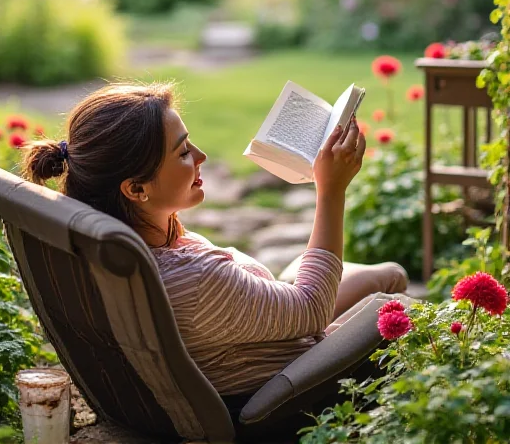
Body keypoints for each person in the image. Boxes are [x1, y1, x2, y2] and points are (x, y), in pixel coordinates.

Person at [22, 81, 408, 401]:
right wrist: (332, 191)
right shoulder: (195, 280)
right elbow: (311, 310)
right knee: (395, 296)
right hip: (286, 371)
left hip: (251, 323)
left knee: (387, 274)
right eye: (183, 152)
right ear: (136, 188)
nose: (202, 156)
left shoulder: (118, 243)